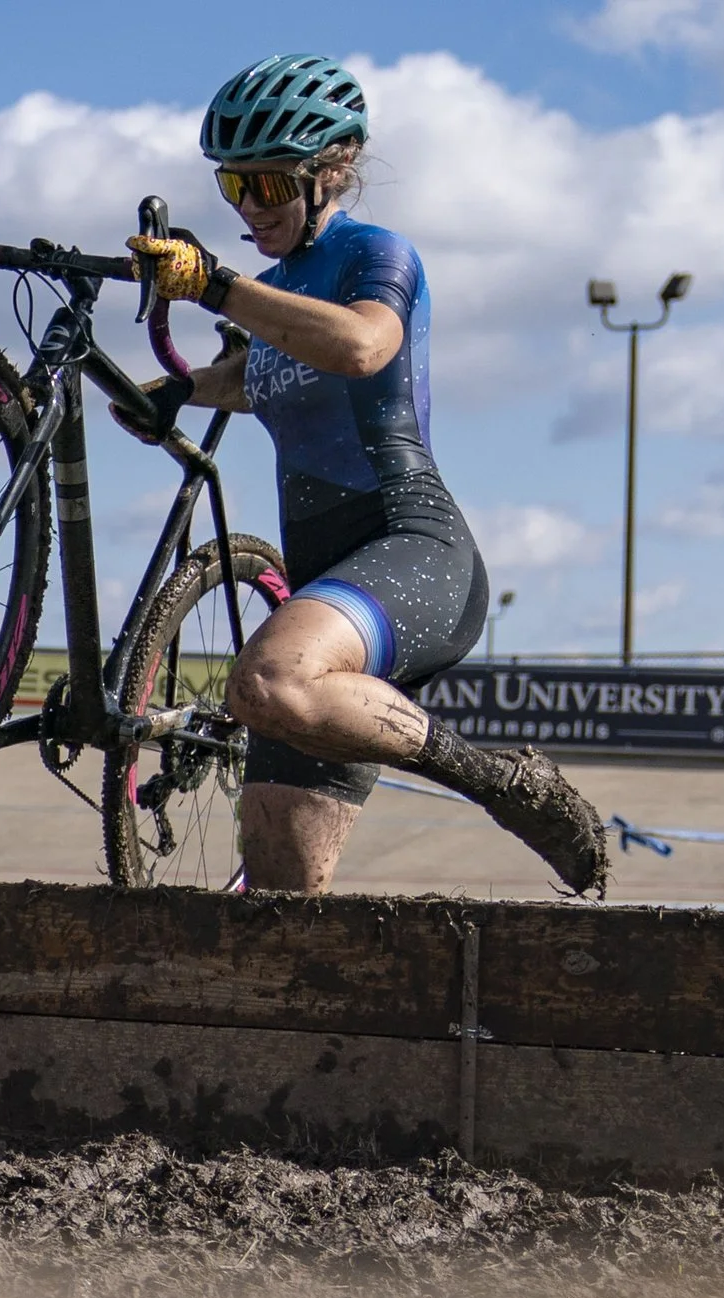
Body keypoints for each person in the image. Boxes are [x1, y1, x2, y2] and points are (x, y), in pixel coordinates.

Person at [122, 53, 609, 897]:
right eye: (234, 187)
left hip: (411, 550)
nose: (248, 208)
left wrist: (218, 287)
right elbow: (262, 374)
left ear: (335, 169)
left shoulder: (375, 253)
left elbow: (358, 345)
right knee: (281, 895)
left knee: (266, 680)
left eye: (270, 187)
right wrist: (183, 389)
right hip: (327, 583)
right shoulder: (271, 292)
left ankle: (501, 783)